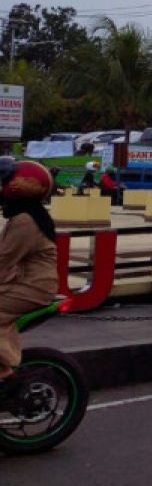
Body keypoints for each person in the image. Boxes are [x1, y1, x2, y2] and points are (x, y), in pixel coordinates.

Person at [0, 160, 58, 382]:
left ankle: (5, 370)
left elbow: (3, 259)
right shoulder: (24, 216)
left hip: (32, 288)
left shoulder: (26, 221)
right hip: (23, 284)